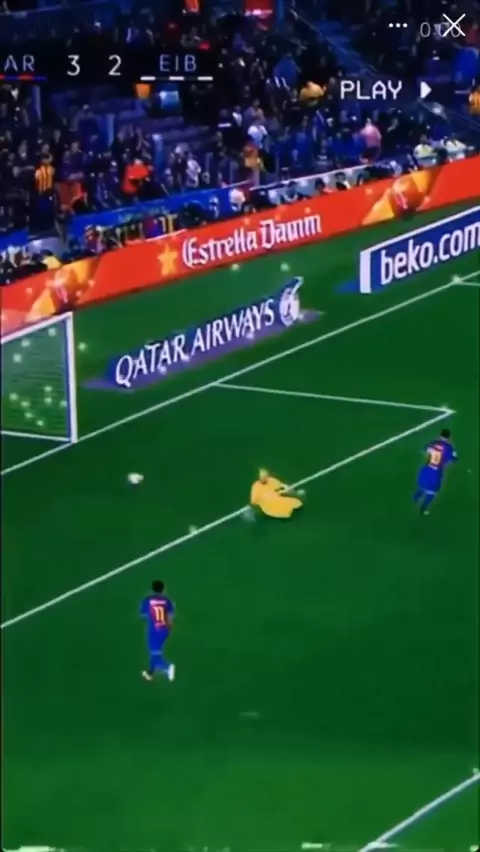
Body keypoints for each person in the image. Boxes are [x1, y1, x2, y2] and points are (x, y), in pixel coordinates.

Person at [413, 428, 457, 516]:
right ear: (449, 437)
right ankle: (423, 509)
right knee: (432, 492)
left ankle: (415, 498)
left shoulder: (433, 443)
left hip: (426, 469)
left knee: (423, 486)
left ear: (440, 435)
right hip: (436, 473)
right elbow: (454, 459)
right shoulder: (449, 448)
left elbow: (425, 448)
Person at [139, 580, 175, 682]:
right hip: (164, 629)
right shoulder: (167, 601)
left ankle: (167, 667)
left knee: (155, 654)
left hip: (154, 630)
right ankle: (150, 673)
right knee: (155, 652)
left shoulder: (147, 600)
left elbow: (143, 613)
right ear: (163, 589)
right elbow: (170, 615)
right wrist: (169, 627)